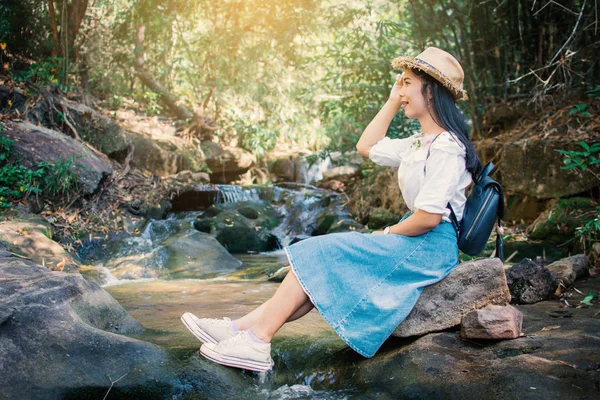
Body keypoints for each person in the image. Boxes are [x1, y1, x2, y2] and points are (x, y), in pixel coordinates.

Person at [180, 46, 482, 372]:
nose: (402, 90)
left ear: (431, 90)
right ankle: (240, 330)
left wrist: (385, 232)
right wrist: (394, 99)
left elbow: (428, 218)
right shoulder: (419, 143)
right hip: (415, 237)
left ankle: (256, 341)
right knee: (317, 269)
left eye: (407, 83)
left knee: (320, 252)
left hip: (429, 244)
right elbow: (366, 146)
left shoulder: (448, 147)